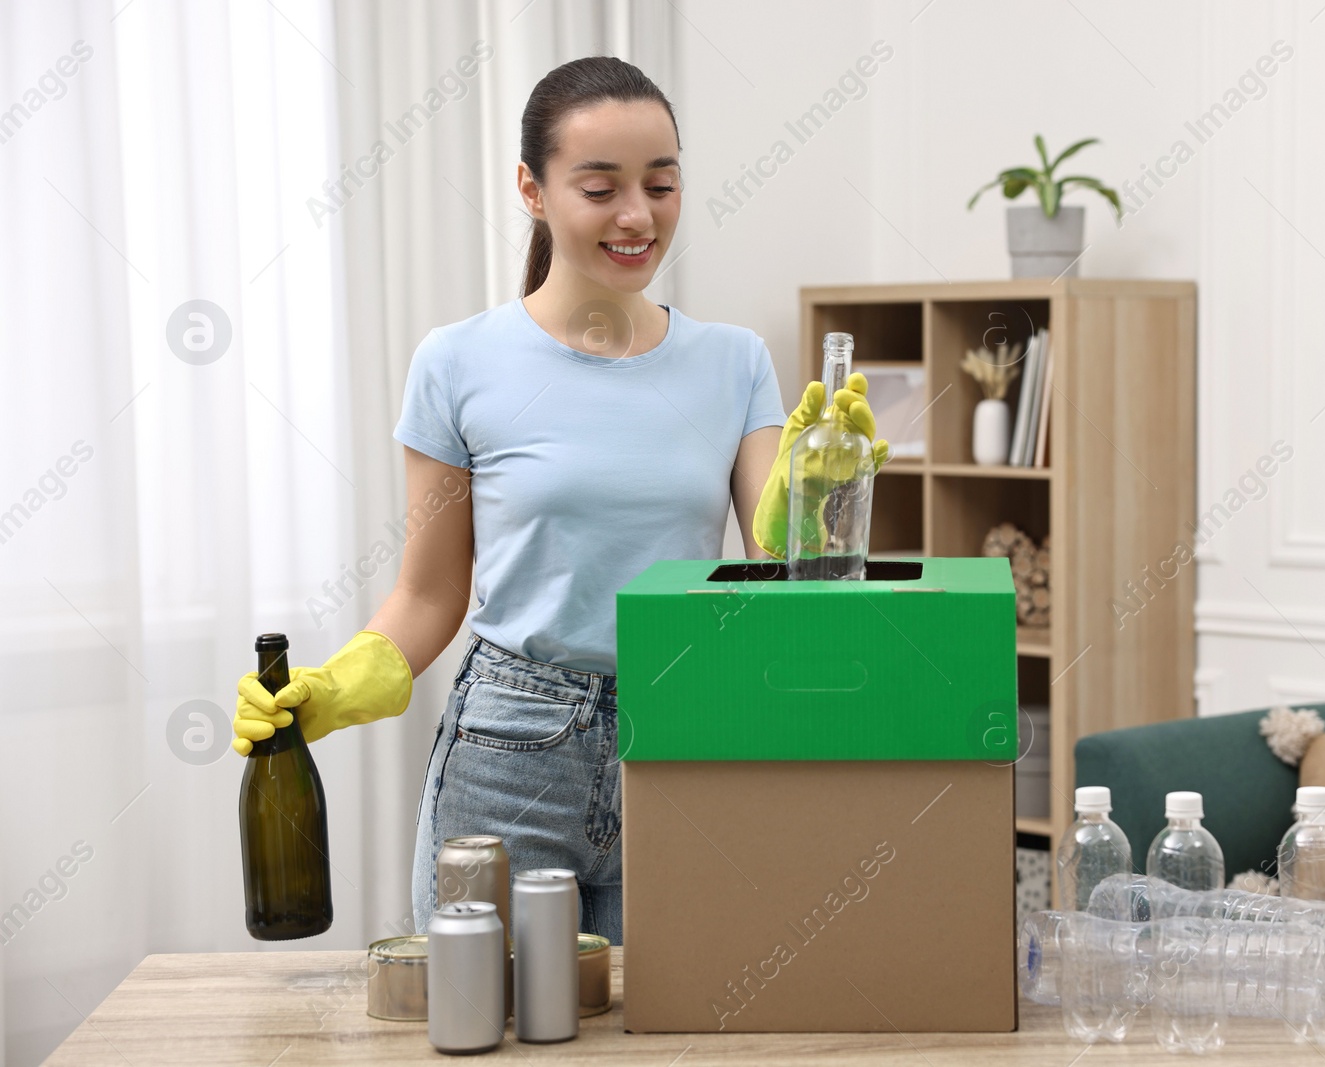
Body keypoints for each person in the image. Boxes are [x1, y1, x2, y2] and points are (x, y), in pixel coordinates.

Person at [230, 56, 888, 946]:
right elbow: (429, 594)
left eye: (661, 184)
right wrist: (341, 685)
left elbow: (782, 561)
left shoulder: (733, 362)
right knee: (488, 1024)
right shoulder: (458, 363)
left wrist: (823, 491)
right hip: (510, 750)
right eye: (600, 187)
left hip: (686, 735)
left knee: (675, 1030)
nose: (638, 215)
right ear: (532, 191)